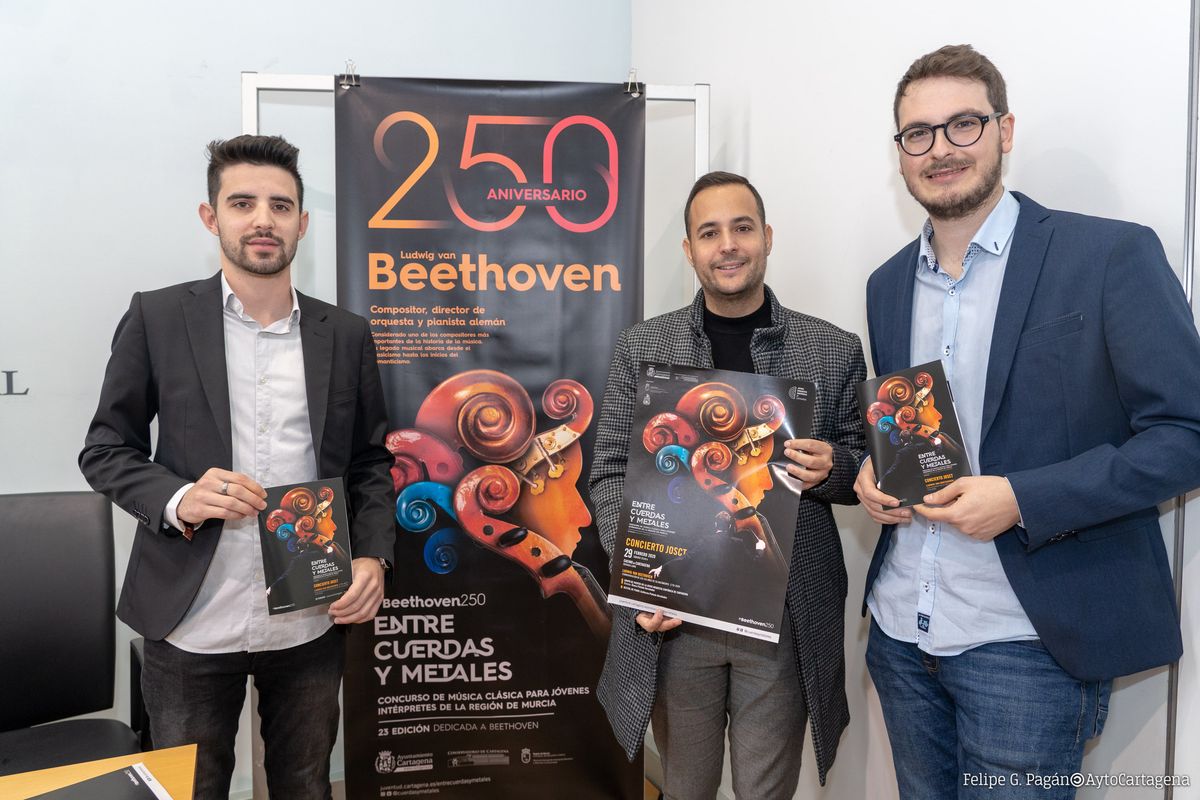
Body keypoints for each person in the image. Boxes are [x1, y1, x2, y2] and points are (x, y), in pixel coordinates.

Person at [855, 45, 1200, 798]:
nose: (940, 149)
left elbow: (1187, 435)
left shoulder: (1108, 255)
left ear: (1005, 130)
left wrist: (1022, 498)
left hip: (1027, 645)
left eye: (963, 124)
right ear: (900, 152)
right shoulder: (887, 284)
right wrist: (876, 472)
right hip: (901, 633)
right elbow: (916, 426)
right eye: (918, 134)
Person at [79, 135, 396, 800]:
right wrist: (180, 498)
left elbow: (370, 461)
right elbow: (106, 448)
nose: (262, 220)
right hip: (192, 621)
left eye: (280, 206)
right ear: (211, 216)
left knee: (306, 786)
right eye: (242, 203)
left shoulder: (345, 334)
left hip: (311, 616)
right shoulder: (158, 317)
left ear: (302, 223)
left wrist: (372, 556)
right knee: (192, 791)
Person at [591, 171, 866, 797]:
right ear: (689, 249)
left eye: (742, 228)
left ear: (766, 236)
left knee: (765, 790)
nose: (728, 245)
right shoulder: (643, 347)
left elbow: (861, 470)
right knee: (685, 787)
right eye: (709, 232)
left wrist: (837, 469)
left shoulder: (832, 348)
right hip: (675, 617)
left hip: (781, 618)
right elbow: (608, 470)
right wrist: (639, 566)